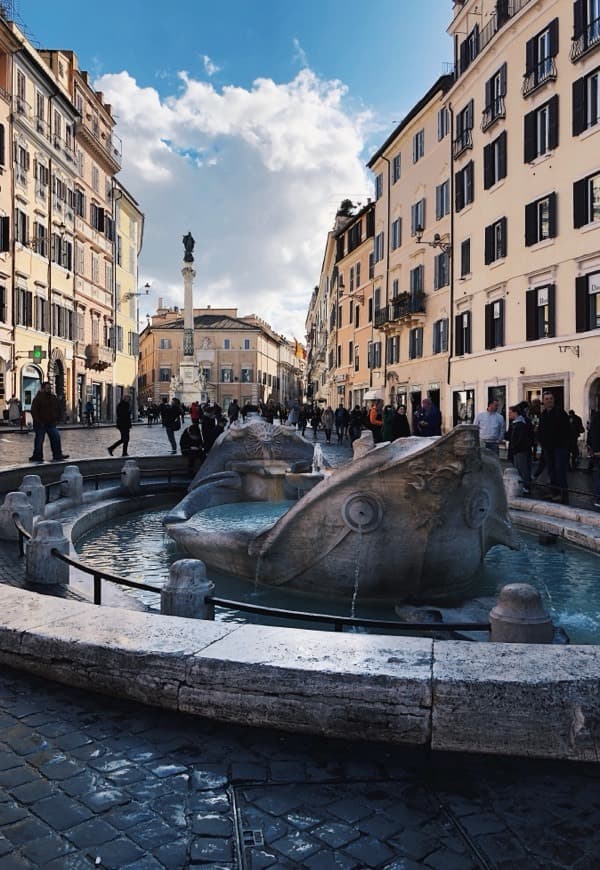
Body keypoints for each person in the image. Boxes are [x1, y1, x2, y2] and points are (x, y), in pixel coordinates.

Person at [537, 391, 570, 504]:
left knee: (560, 471)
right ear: (543, 401)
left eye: (551, 398)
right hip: (547, 448)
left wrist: (566, 446)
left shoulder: (560, 412)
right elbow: (540, 431)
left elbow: (567, 431)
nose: (549, 401)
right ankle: (554, 492)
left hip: (559, 447)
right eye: (546, 399)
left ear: (553, 400)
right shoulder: (543, 414)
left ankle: (563, 495)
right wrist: (539, 448)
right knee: (551, 471)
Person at [29, 382, 68, 463]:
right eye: (47, 388)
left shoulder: (53, 397)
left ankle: (57, 455)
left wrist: (58, 418)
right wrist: (38, 421)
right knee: (39, 440)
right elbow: (34, 411)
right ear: (42, 389)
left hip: (51, 423)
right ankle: (37, 456)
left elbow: (58, 408)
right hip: (41, 423)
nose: (49, 390)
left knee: (56, 438)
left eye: (50, 388)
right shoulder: (38, 398)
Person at [506, 405, 534, 495]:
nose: (508, 414)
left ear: (515, 413)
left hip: (521, 450)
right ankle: (521, 485)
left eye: (510, 413)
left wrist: (514, 447)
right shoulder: (514, 423)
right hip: (516, 450)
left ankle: (526, 486)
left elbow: (520, 439)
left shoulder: (521, 424)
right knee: (518, 468)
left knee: (523, 469)